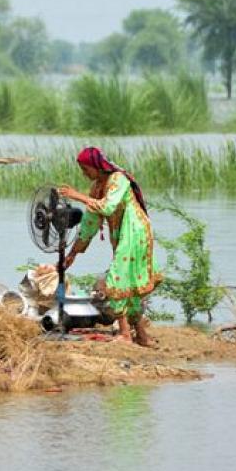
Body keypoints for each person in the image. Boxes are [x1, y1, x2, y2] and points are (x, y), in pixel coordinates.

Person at [59, 146, 161, 345]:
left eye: (86, 169)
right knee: (129, 283)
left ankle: (124, 334)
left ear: (97, 167)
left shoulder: (118, 179)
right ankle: (140, 335)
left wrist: (77, 196)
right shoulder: (97, 189)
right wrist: (72, 254)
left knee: (116, 282)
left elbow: (108, 206)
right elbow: (90, 224)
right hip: (122, 236)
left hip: (135, 233)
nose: (85, 174)